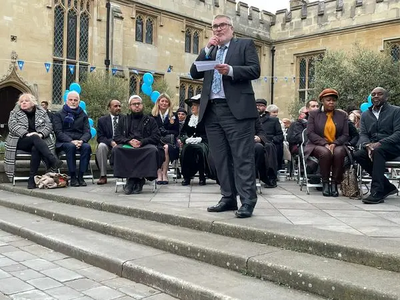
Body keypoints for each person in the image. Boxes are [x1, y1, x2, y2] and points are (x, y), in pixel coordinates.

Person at [190, 14, 260, 218]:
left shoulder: (244, 45)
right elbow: (194, 73)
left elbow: (255, 70)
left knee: (242, 157)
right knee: (220, 158)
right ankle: (228, 197)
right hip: (212, 110)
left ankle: (247, 201)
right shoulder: (210, 50)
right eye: (214, 26)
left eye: (222, 25)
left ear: (231, 27)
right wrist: (205, 50)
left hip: (236, 110)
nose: (218, 29)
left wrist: (230, 70)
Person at [353, 87, 400, 204]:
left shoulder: (396, 111)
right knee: (358, 154)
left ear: (386, 97)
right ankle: (387, 186)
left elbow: (398, 133)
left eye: (379, 94)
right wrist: (367, 145)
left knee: (378, 150)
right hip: (373, 146)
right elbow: (363, 134)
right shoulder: (365, 115)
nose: (376, 96)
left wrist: (379, 143)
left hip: (393, 146)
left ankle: (377, 192)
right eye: (373, 94)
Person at [5, 93, 62, 189]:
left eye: (26, 101)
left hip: (39, 141)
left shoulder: (42, 112)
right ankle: (52, 159)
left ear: (32, 103)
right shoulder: (14, 112)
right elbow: (12, 126)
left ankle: (31, 179)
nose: (23, 103)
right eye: (21, 101)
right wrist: (27, 134)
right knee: (35, 138)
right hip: (20, 140)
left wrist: (40, 134)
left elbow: (48, 126)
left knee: (36, 148)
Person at [112, 95, 162, 195]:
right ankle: (133, 179)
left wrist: (142, 142)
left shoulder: (150, 120)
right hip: (128, 145)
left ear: (142, 105)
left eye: (138, 104)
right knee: (117, 149)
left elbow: (156, 136)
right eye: (134, 104)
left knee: (153, 150)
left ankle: (137, 179)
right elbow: (117, 136)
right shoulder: (123, 120)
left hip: (144, 145)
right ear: (130, 106)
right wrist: (128, 141)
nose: (137, 106)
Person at [304, 88, 349, 197]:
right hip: (317, 144)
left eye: (333, 100)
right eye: (328, 100)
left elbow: (345, 134)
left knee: (339, 153)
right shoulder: (314, 114)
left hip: (337, 143)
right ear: (322, 101)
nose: (331, 102)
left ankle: (334, 183)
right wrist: (324, 143)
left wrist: (335, 143)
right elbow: (310, 133)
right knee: (325, 153)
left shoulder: (342, 115)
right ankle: (325, 183)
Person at [53, 91, 92, 187]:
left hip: (79, 140)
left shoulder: (83, 115)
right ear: (66, 101)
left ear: (79, 102)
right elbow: (58, 132)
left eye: (75, 100)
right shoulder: (59, 114)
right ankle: (73, 176)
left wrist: (82, 141)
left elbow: (87, 132)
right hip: (64, 142)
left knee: (87, 147)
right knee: (71, 147)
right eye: (71, 100)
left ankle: (81, 176)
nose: (73, 102)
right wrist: (71, 141)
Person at [180, 94, 209, 186]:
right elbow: (183, 132)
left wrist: (201, 138)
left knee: (199, 150)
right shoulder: (189, 118)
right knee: (186, 149)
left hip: (203, 142)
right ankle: (186, 177)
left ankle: (202, 176)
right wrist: (185, 139)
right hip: (189, 142)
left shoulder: (206, 118)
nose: (192, 107)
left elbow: (210, 132)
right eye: (192, 105)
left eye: (195, 105)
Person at [151, 93, 180, 184]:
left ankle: (164, 174)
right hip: (156, 140)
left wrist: (167, 132)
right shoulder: (152, 115)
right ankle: (159, 174)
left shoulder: (173, 116)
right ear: (158, 102)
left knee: (166, 148)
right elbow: (149, 131)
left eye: (166, 101)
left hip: (170, 141)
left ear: (169, 103)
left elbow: (176, 131)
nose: (164, 103)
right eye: (162, 101)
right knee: (157, 149)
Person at [95, 99, 122, 185]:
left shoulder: (125, 119)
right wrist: (111, 142)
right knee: (101, 146)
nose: (118, 108)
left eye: (119, 106)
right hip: (108, 145)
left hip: (122, 144)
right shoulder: (102, 120)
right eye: (115, 106)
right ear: (109, 108)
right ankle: (103, 176)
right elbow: (100, 137)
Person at [259, 106, 283, 188]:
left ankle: (271, 176)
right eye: (257, 105)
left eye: (261, 105)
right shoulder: (250, 119)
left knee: (269, 147)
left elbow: (280, 136)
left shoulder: (273, 120)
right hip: (253, 141)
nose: (258, 107)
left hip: (269, 143)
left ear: (265, 107)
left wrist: (268, 139)